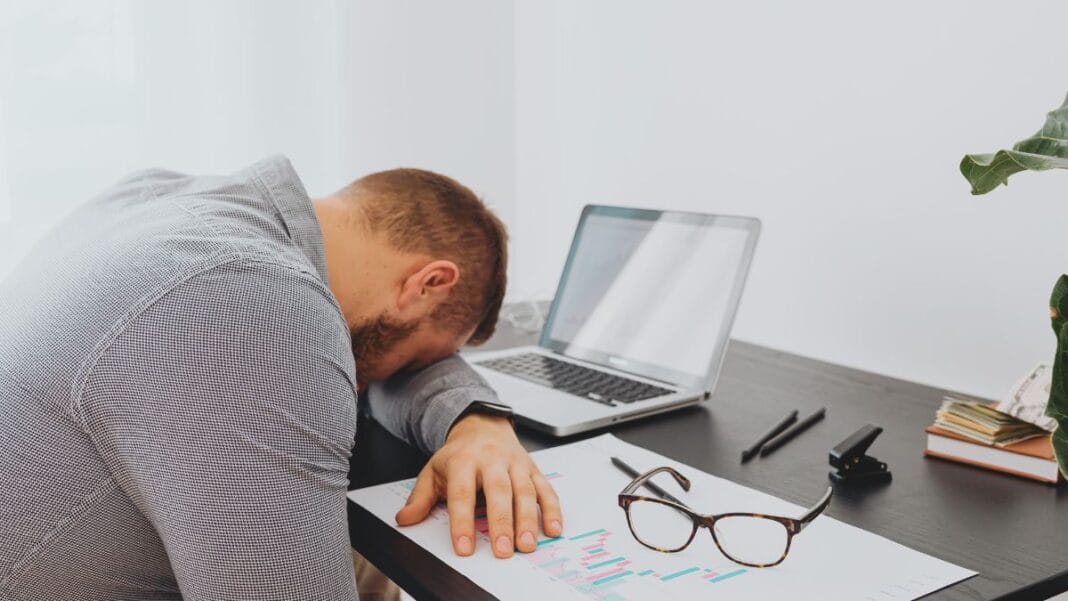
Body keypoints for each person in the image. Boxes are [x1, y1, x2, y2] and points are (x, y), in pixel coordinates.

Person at [0, 155, 562, 600]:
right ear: (428, 283)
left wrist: (476, 421)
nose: (375, 383)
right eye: (419, 359)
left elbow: (378, 357)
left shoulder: (160, 197)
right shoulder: (255, 301)